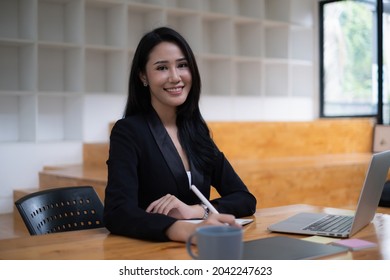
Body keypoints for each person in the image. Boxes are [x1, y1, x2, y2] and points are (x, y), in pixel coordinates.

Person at [103, 26, 257, 242]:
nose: (175, 77)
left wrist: (194, 212)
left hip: (201, 249)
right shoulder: (129, 131)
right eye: (162, 68)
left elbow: (245, 199)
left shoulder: (196, 131)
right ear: (143, 76)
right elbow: (117, 212)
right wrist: (182, 230)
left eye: (182, 65)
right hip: (149, 253)